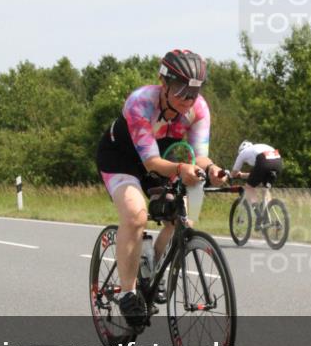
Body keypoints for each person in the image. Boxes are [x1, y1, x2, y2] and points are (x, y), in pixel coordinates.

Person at [95, 50, 228, 330]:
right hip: (123, 159)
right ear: (163, 82)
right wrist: (181, 169)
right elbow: (150, 161)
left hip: (164, 160)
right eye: (180, 89)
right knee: (135, 215)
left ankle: (151, 267)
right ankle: (129, 293)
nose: (187, 98)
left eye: (194, 91)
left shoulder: (198, 109)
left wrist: (213, 168)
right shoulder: (141, 102)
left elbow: (200, 156)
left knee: (182, 216)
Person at [229, 141, 282, 226]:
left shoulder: (243, 153)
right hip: (278, 162)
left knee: (249, 188)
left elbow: (234, 173)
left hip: (264, 162)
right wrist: (242, 175)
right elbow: (257, 174)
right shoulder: (257, 148)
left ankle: (259, 216)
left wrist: (229, 175)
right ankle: (272, 218)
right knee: (265, 190)